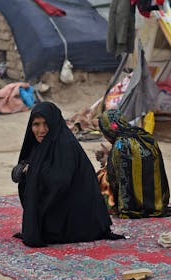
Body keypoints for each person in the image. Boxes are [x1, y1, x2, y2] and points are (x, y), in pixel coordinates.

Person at [13, 102, 122, 247]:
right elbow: (18, 173)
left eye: (46, 124)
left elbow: (60, 183)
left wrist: (33, 171)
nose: (41, 130)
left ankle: (51, 228)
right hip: (63, 208)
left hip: (80, 218)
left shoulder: (65, 145)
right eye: (36, 124)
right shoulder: (40, 145)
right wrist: (25, 170)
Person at [98, 109, 171, 218]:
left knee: (100, 178)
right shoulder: (145, 136)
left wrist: (106, 164)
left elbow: (114, 178)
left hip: (133, 205)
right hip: (157, 202)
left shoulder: (120, 144)